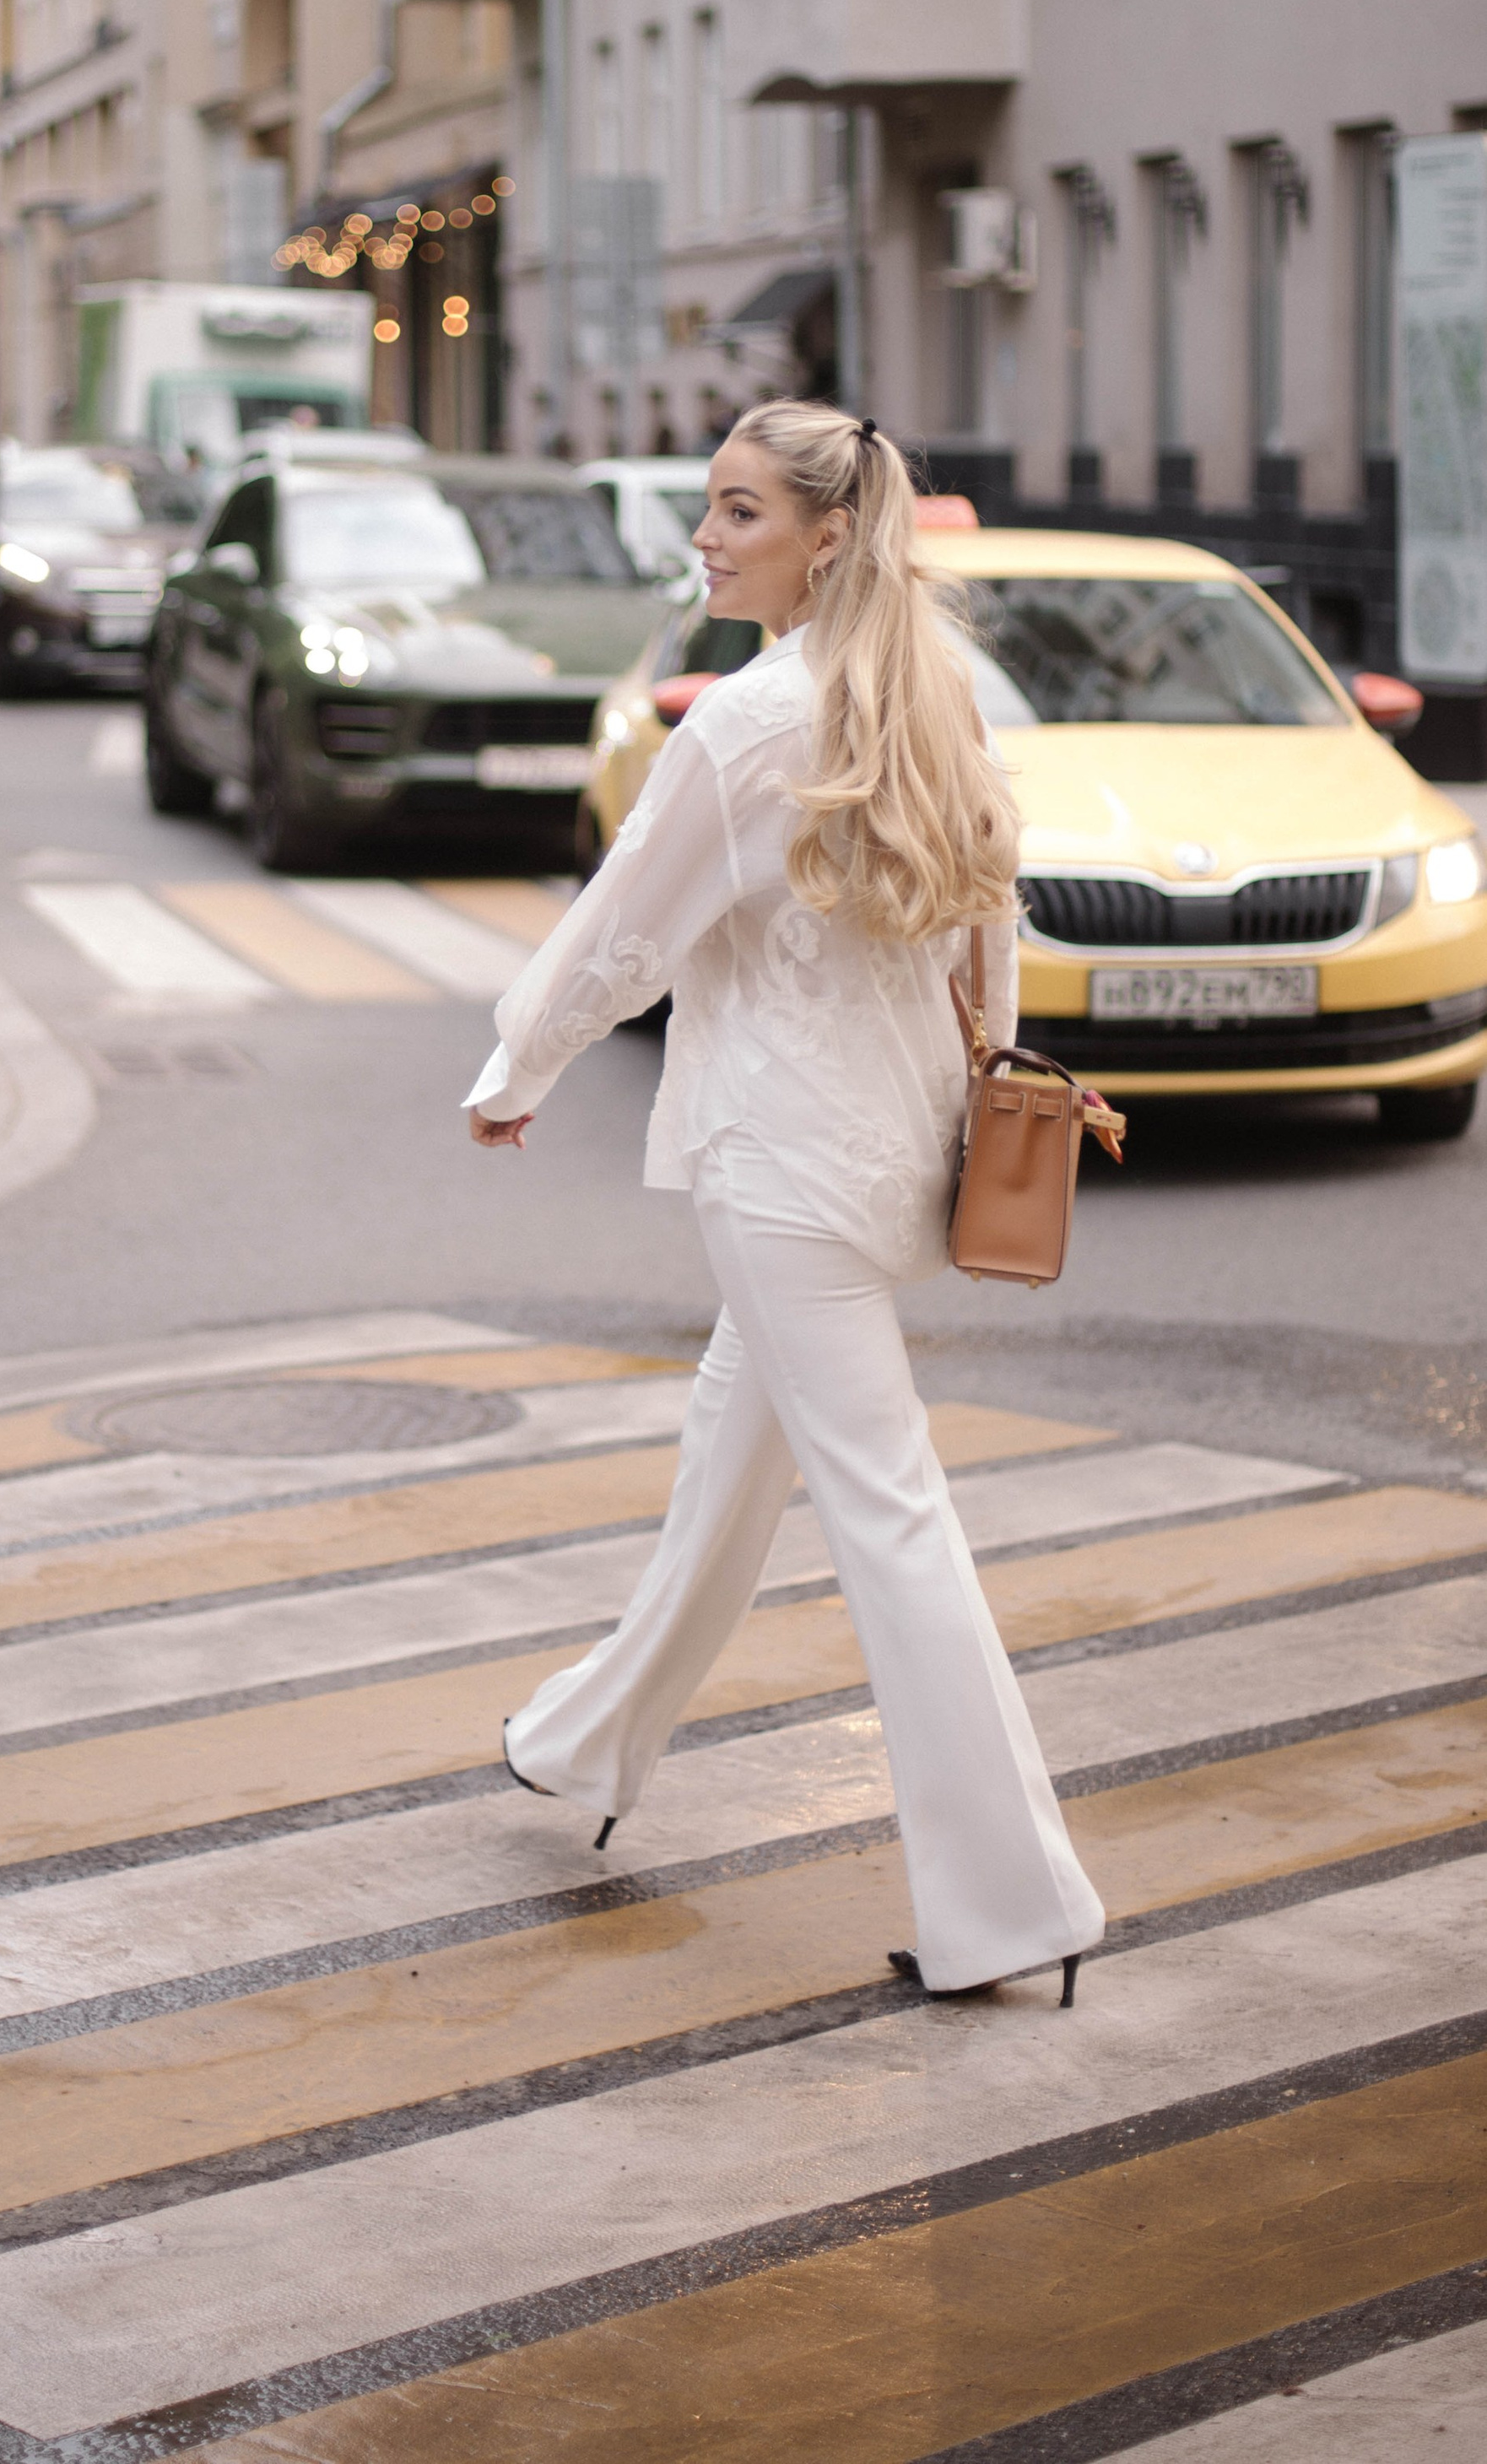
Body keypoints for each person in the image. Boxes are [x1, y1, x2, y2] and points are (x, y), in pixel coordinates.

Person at [466, 398, 1104, 2008]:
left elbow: (624, 932)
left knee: (890, 1517)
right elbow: (992, 932)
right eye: (709, 507)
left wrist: (515, 1070)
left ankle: (1014, 1904)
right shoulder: (924, 695)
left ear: (826, 535)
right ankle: (585, 1741)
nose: (707, 535)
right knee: (728, 1460)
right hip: (881, 1157)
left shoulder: (744, 724)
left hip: (777, 1164)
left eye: (740, 511)